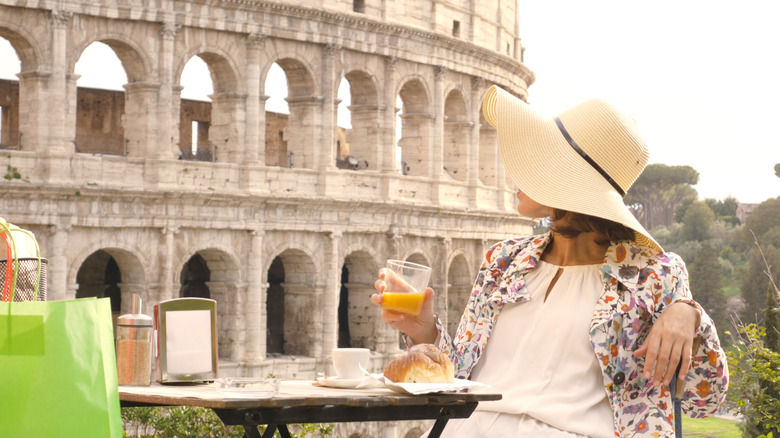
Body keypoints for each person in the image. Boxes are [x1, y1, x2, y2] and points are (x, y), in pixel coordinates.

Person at [371, 86, 729, 437]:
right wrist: (423, 330)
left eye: (539, 160)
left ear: (571, 182)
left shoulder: (654, 275)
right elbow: (460, 375)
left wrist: (691, 316)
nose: (515, 170)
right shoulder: (503, 261)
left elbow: (705, 401)